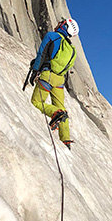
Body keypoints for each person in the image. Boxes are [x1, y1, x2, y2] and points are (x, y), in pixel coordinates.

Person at [28, 18, 79, 148]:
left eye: (62, 23)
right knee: (61, 106)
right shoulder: (71, 49)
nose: (58, 24)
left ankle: (55, 113)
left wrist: (35, 70)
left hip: (47, 76)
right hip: (60, 81)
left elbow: (42, 53)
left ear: (65, 26)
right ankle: (65, 139)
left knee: (36, 102)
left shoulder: (53, 36)